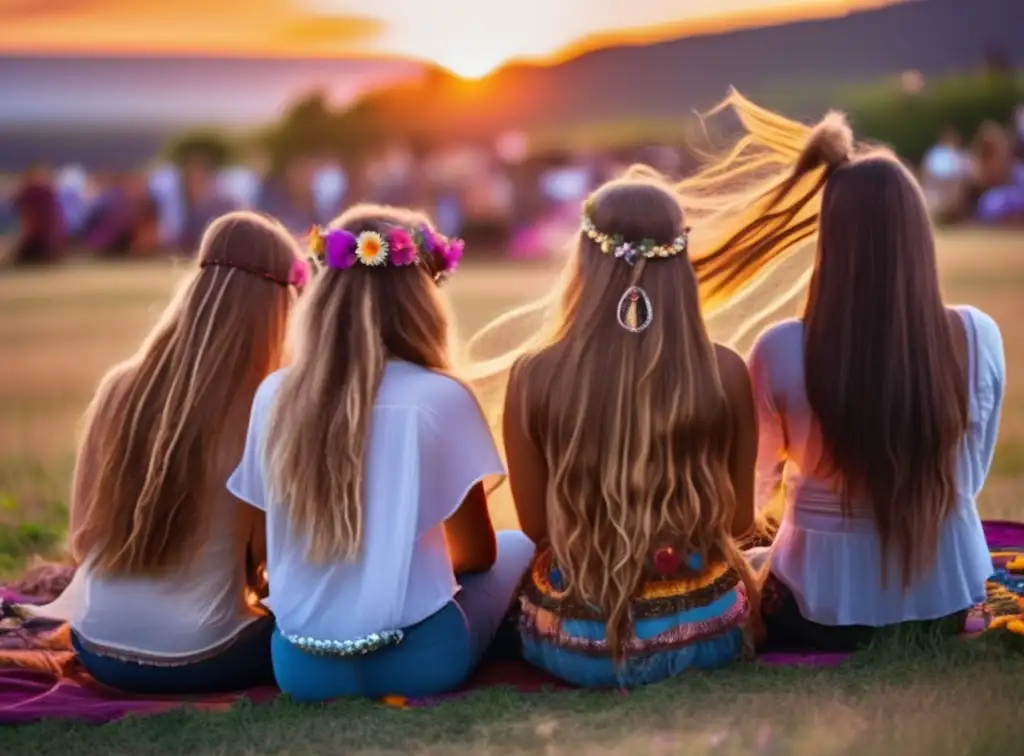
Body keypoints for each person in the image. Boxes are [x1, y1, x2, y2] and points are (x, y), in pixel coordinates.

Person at [682, 94, 1003, 650]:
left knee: (759, 557)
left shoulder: (782, 349)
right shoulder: (978, 335)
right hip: (946, 603)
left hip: (816, 611)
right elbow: (968, 478)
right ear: (918, 238)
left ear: (829, 238)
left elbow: (754, 493)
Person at [226, 204, 535, 702]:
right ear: (420, 300)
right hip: (423, 660)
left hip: (300, 667)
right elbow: (478, 553)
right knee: (517, 544)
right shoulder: (439, 397)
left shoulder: (274, 396)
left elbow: (267, 545)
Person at [471, 167, 760, 688]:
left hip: (573, 641)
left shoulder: (534, 375)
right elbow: (739, 520)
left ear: (585, 259)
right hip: (706, 634)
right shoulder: (725, 370)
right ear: (681, 259)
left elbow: (538, 530)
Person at [67, 212, 309, 694]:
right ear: (278, 305)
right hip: (200, 656)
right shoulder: (269, 408)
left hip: (92, 644)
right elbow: (275, 565)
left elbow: (81, 539)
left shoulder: (119, 387)